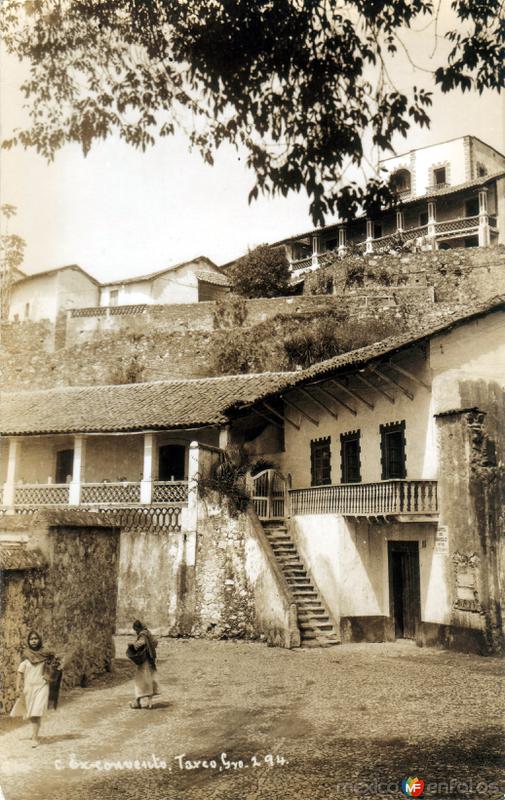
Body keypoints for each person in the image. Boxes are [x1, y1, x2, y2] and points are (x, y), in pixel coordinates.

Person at [10, 631, 62, 747]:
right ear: (28, 641)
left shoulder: (46, 655)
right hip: (29, 688)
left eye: (36, 639)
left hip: (42, 686)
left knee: (36, 712)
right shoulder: (26, 656)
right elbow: (20, 673)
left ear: (39, 640)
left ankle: (35, 737)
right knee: (31, 713)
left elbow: (57, 665)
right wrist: (18, 687)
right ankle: (34, 733)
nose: (33, 641)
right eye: (31, 639)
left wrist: (52, 672)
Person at [126, 620, 159, 709]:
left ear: (138, 628)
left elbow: (139, 644)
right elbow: (155, 642)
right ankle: (149, 703)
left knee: (140, 681)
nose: (136, 632)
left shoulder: (143, 635)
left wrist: (132, 645)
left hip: (144, 661)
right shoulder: (148, 633)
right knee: (150, 680)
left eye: (136, 629)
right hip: (150, 660)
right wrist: (150, 648)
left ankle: (137, 702)